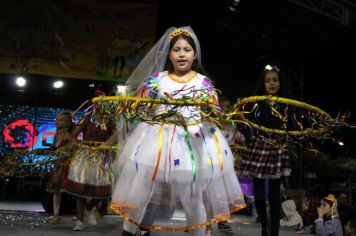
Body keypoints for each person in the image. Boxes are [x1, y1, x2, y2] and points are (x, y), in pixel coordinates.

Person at [110, 26, 246, 236]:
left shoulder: (204, 83)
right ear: (169, 54)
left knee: (192, 196)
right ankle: (128, 231)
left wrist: (215, 117)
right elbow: (137, 104)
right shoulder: (157, 79)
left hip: (191, 143)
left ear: (194, 55)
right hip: (157, 141)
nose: (181, 54)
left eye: (187, 49)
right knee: (141, 190)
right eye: (176, 49)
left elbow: (214, 114)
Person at [239, 65, 292, 236]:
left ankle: (274, 232)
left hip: (277, 149)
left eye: (275, 80)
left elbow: (291, 126)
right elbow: (246, 124)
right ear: (263, 83)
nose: (271, 83)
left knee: (275, 196)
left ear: (280, 83)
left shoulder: (286, 103)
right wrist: (249, 135)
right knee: (260, 198)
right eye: (268, 80)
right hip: (258, 148)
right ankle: (264, 226)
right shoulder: (256, 103)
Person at [64, 110, 118, 231]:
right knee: (81, 189)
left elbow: (116, 135)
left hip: (103, 157)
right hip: (86, 156)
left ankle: (88, 209)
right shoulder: (87, 117)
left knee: (106, 189)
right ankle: (79, 221)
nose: (99, 107)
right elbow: (73, 135)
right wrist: (70, 135)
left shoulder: (109, 119)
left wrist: (106, 145)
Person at [46, 112, 75, 224]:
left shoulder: (67, 135)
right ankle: (56, 214)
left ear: (67, 123)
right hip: (59, 165)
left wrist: (67, 151)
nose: (58, 122)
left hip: (67, 165)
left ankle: (85, 212)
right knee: (56, 191)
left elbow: (74, 146)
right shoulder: (56, 135)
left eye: (61, 120)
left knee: (74, 190)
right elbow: (56, 149)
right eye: (57, 119)